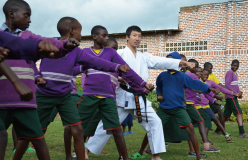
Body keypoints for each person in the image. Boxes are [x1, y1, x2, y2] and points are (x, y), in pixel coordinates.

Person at [84, 25, 196, 160]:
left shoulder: (144, 56)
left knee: (155, 122)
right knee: (106, 125)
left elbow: (160, 61)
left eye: (139, 36)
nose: (137, 38)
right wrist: (119, 78)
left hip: (140, 97)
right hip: (122, 96)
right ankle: (84, 151)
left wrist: (181, 62)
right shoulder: (118, 53)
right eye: (134, 35)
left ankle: (156, 155)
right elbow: (105, 67)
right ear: (127, 37)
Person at [0, 1, 80, 160]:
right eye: (26, 15)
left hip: (25, 101)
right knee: (2, 137)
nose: (29, 20)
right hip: (2, 99)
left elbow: (42, 43)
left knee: (38, 139)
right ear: (11, 14)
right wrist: (19, 82)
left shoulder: (28, 37)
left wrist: (64, 45)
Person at [76, 25, 155, 160]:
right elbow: (72, 69)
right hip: (89, 96)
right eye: (104, 35)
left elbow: (127, 71)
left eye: (108, 36)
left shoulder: (111, 53)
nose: (107, 38)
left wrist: (143, 84)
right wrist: (80, 67)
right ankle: (78, 154)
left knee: (116, 129)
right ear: (94, 36)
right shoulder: (84, 52)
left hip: (108, 98)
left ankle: (124, 157)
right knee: (78, 127)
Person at [156, 52, 221, 160]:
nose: (169, 62)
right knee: (154, 128)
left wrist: (210, 89)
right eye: (167, 60)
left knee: (190, 128)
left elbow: (196, 84)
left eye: (172, 60)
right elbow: (159, 86)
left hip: (178, 108)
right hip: (164, 108)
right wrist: (159, 95)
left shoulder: (182, 76)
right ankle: (145, 150)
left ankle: (198, 155)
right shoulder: (162, 75)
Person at [200, 69, 236, 142]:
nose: (206, 76)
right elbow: (205, 93)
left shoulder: (210, 82)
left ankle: (226, 136)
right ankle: (205, 140)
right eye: (204, 74)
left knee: (215, 119)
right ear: (201, 74)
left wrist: (232, 93)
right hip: (198, 106)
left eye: (207, 75)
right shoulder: (197, 82)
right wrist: (214, 98)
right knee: (205, 121)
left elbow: (220, 89)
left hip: (206, 106)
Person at [204, 62, 230, 135]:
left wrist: (230, 91)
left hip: (210, 98)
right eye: (210, 69)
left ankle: (221, 131)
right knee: (209, 117)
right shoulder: (201, 77)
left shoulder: (212, 75)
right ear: (205, 68)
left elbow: (219, 85)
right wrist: (214, 96)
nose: (211, 70)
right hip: (205, 99)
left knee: (220, 112)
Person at [224, 60, 248, 138]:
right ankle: (242, 132)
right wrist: (235, 93)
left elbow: (235, 85)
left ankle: (218, 130)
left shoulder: (235, 73)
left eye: (237, 66)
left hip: (233, 95)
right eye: (234, 65)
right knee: (238, 112)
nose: (235, 67)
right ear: (231, 65)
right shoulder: (229, 72)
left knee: (226, 114)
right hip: (231, 96)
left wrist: (239, 92)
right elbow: (227, 85)